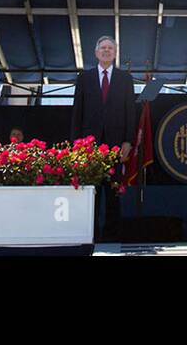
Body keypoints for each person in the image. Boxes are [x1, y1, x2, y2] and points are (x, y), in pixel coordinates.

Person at [70, 36, 137, 240]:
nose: (106, 51)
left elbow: (130, 112)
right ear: (96, 53)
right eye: (103, 48)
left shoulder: (125, 79)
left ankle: (112, 237)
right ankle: (91, 236)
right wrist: (76, 145)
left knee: (113, 192)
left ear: (115, 53)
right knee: (92, 191)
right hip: (89, 145)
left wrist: (128, 141)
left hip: (116, 145)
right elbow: (77, 112)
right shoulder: (84, 78)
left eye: (110, 48)